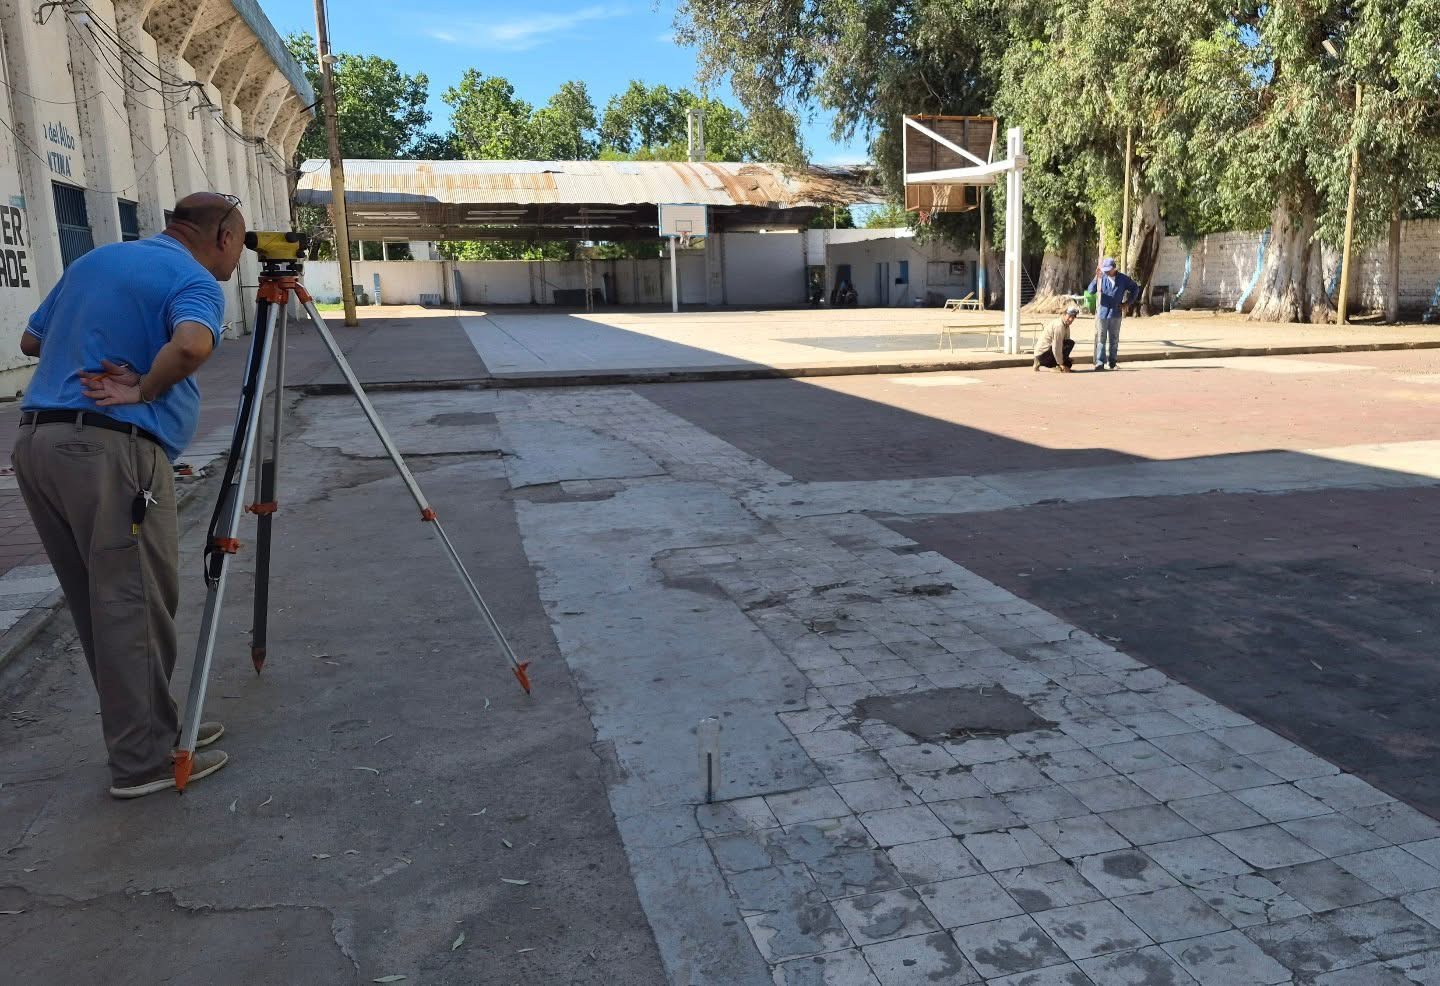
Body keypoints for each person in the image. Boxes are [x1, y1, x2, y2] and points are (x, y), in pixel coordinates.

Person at [13, 192, 245, 798]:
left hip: (39, 447)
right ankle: (142, 762)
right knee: (133, 603)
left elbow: (32, 344)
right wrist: (142, 387)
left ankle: (153, 729)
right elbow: (193, 346)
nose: (239, 258)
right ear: (221, 236)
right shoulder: (193, 280)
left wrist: (98, 342)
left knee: (104, 602)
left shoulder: (94, 261)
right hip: (111, 452)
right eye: (241, 244)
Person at [1085, 257, 1142, 370]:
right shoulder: (1101, 278)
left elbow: (1135, 288)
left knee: (1114, 339)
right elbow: (1090, 291)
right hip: (1102, 313)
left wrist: (1127, 303)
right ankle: (1100, 363)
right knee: (1101, 339)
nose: (1106, 271)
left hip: (1116, 313)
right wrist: (1096, 277)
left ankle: (1112, 362)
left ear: (1114, 268)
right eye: (1104, 269)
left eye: (1108, 269)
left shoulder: (1123, 279)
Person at [1033, 305, 1079, 372]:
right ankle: (1054, 366)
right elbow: (1057, 346)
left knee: (1069, 363)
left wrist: (1066, 359)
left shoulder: (1066, 325)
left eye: (1073, 317)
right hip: (1042, 354)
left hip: (1043, 354)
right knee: (1069, 344)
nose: (1071, 319)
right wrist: (1061, 364)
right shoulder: (1059, 326)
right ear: (1064, 314)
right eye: (1069, 316)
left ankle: (1049, 363)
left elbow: (1064, 343)